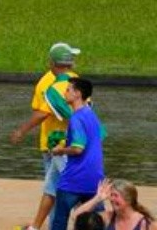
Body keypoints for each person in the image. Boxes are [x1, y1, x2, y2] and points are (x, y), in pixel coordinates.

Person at [13, 42, 83, 230]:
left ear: (51, 62)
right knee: (54, 190)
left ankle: (89, 222)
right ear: (70, 63)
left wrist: (21, 130)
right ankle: (42, 226)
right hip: (67, 145)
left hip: (60, 146)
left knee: (64, 190)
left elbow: (41, 112)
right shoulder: (76, 82)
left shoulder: (49, 83)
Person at [50, 78, 106, 230]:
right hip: (95, 177)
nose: (64, 93)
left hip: (75, 178)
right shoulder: (91, 114)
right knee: (97, 221)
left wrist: (59, 150)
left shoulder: (76, 117)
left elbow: (78, 148)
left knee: (59, 221)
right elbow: (100, 135)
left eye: (68, 89)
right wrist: (67, 137)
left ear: (77, 94)